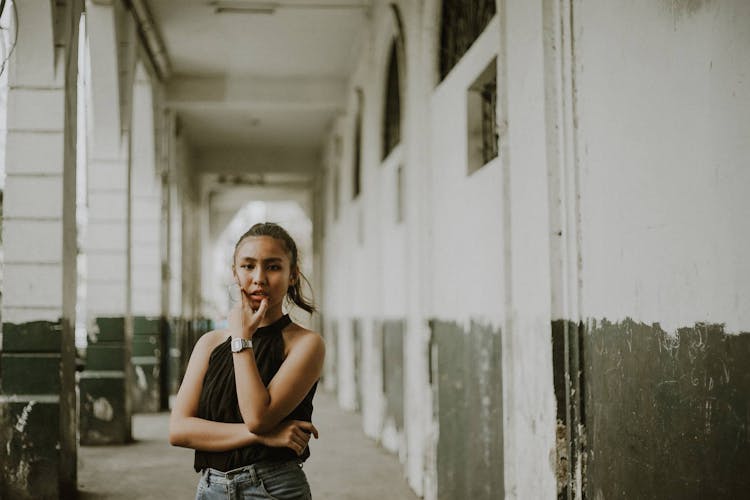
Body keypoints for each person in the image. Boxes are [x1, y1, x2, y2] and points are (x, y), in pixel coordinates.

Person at [169, 222, 325, 500]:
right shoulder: (209, 343)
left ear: (292, 276)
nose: (259, 278)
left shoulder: (306, 344)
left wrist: (242, 338)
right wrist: (264, 437)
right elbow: (179, 430)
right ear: (235, 273)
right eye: (248, 266)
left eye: (273, 267)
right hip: (210, 489)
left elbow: (257, 417)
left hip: (273, 488)